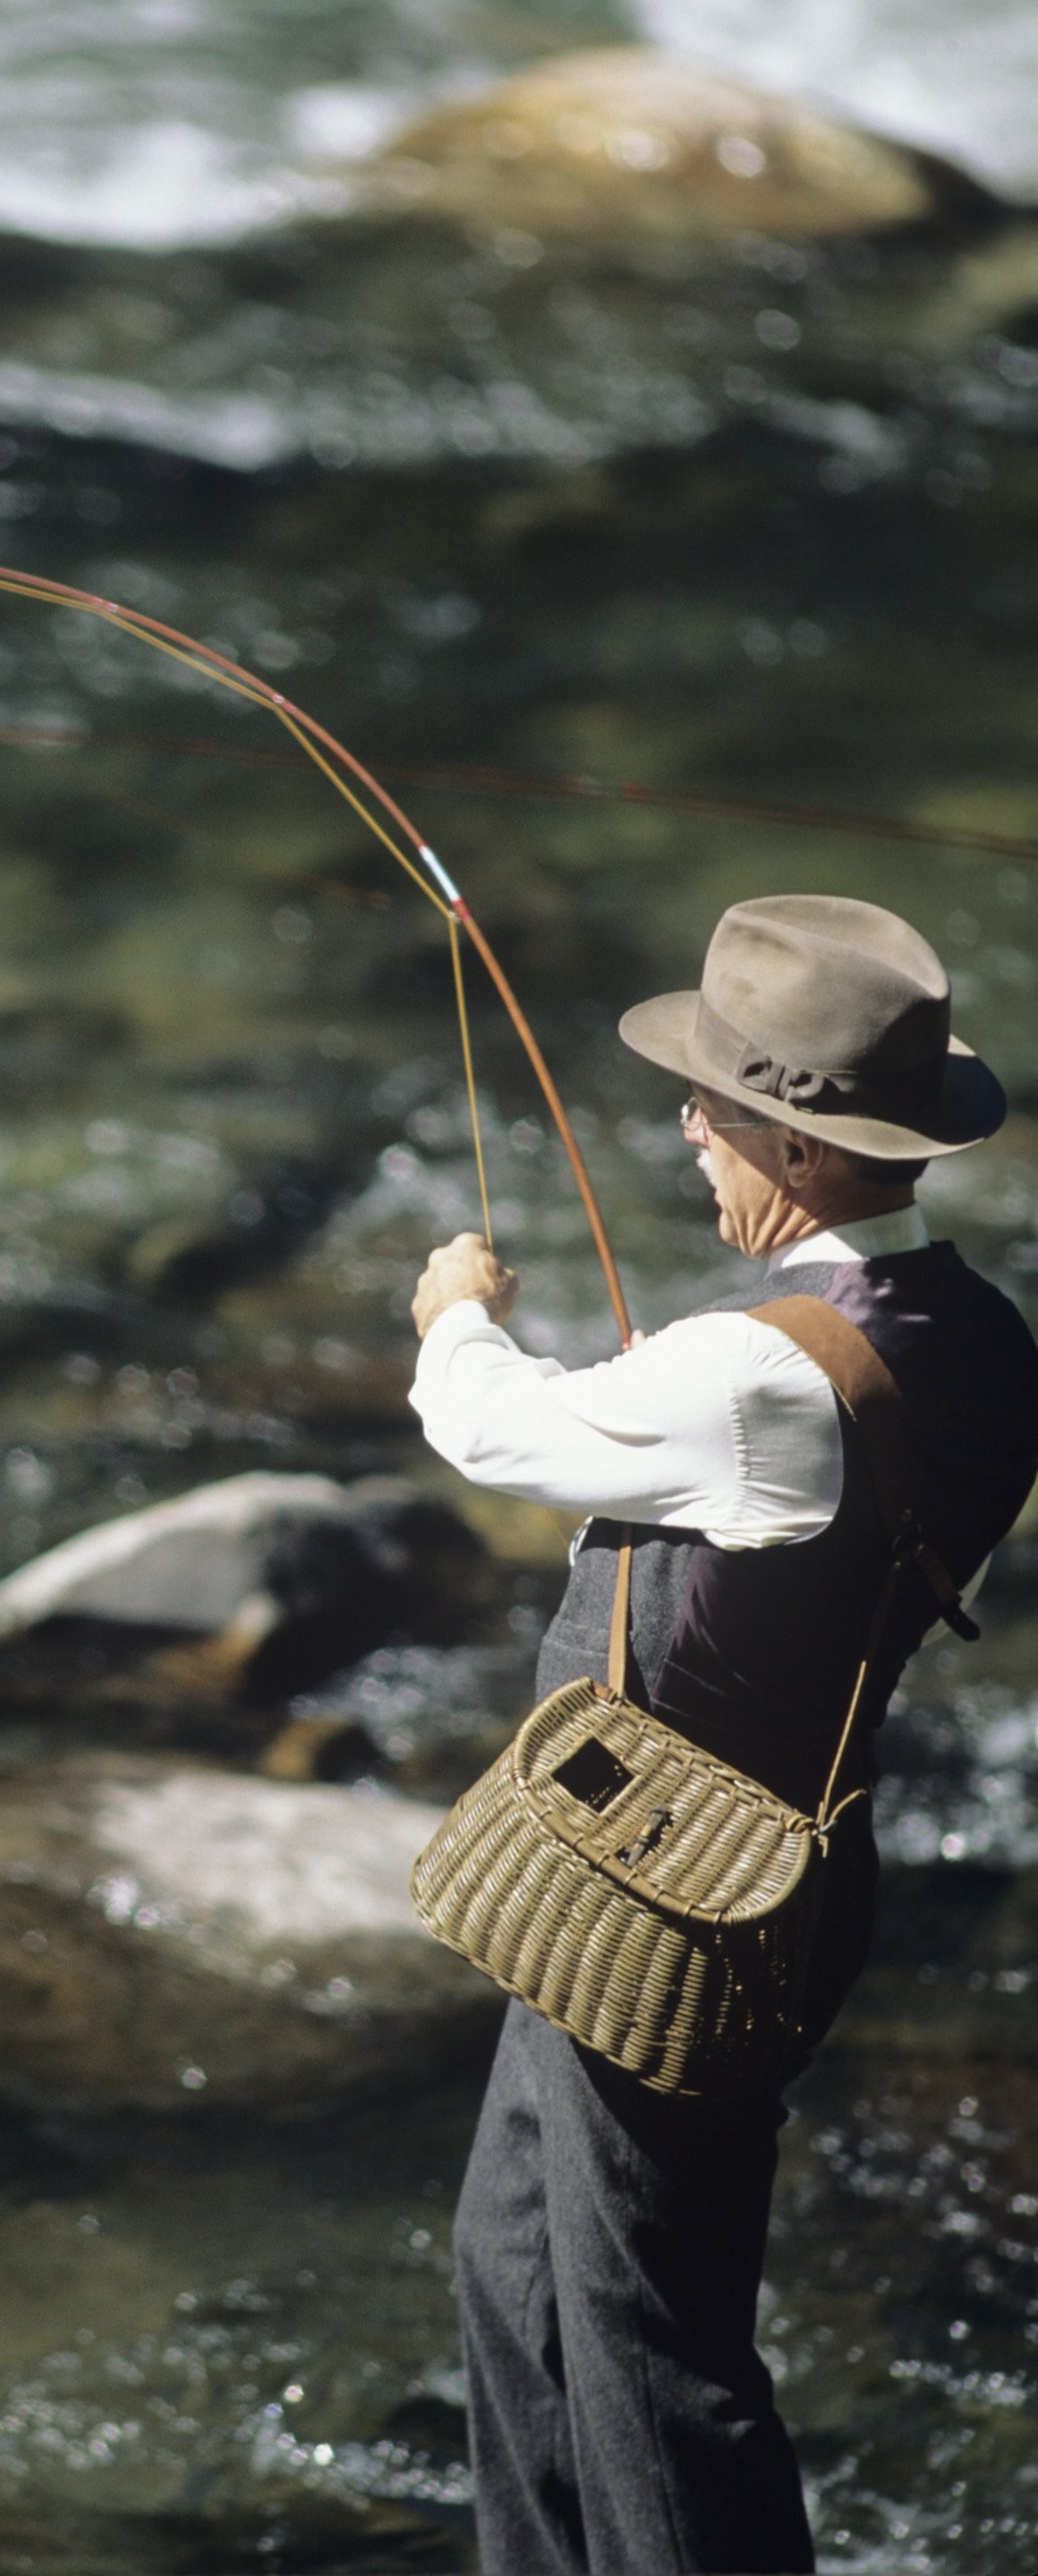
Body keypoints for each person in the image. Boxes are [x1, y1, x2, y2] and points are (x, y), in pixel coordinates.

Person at [406, 894, 1038, 2576]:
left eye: (718, 1108)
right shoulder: (982, 1337)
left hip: (671, 1898)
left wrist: (453, 1309)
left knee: (649, 2343)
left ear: (809, 1154)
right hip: (766, 1876)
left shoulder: (750, 1378)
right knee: (513, 2260)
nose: (687, 1126)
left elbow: (495, 1428)